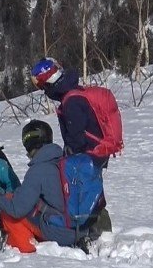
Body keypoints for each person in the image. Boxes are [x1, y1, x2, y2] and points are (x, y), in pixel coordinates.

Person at [30, 57, 116, 232]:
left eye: (40, 85)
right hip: (97, 150)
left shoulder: (71, 101)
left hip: (89, 153)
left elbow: (77, 136)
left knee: (86, 192)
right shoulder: (73, 92)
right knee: (90, 189)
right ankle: (93, 227)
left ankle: (91, 229)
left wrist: (70, 154)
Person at [0, 120, 98, 253]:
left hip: (59, 233)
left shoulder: (39, 169)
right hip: (82, 228)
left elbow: (17, 209)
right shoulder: (67, 161)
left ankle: (25, 249)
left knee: (9, 202)